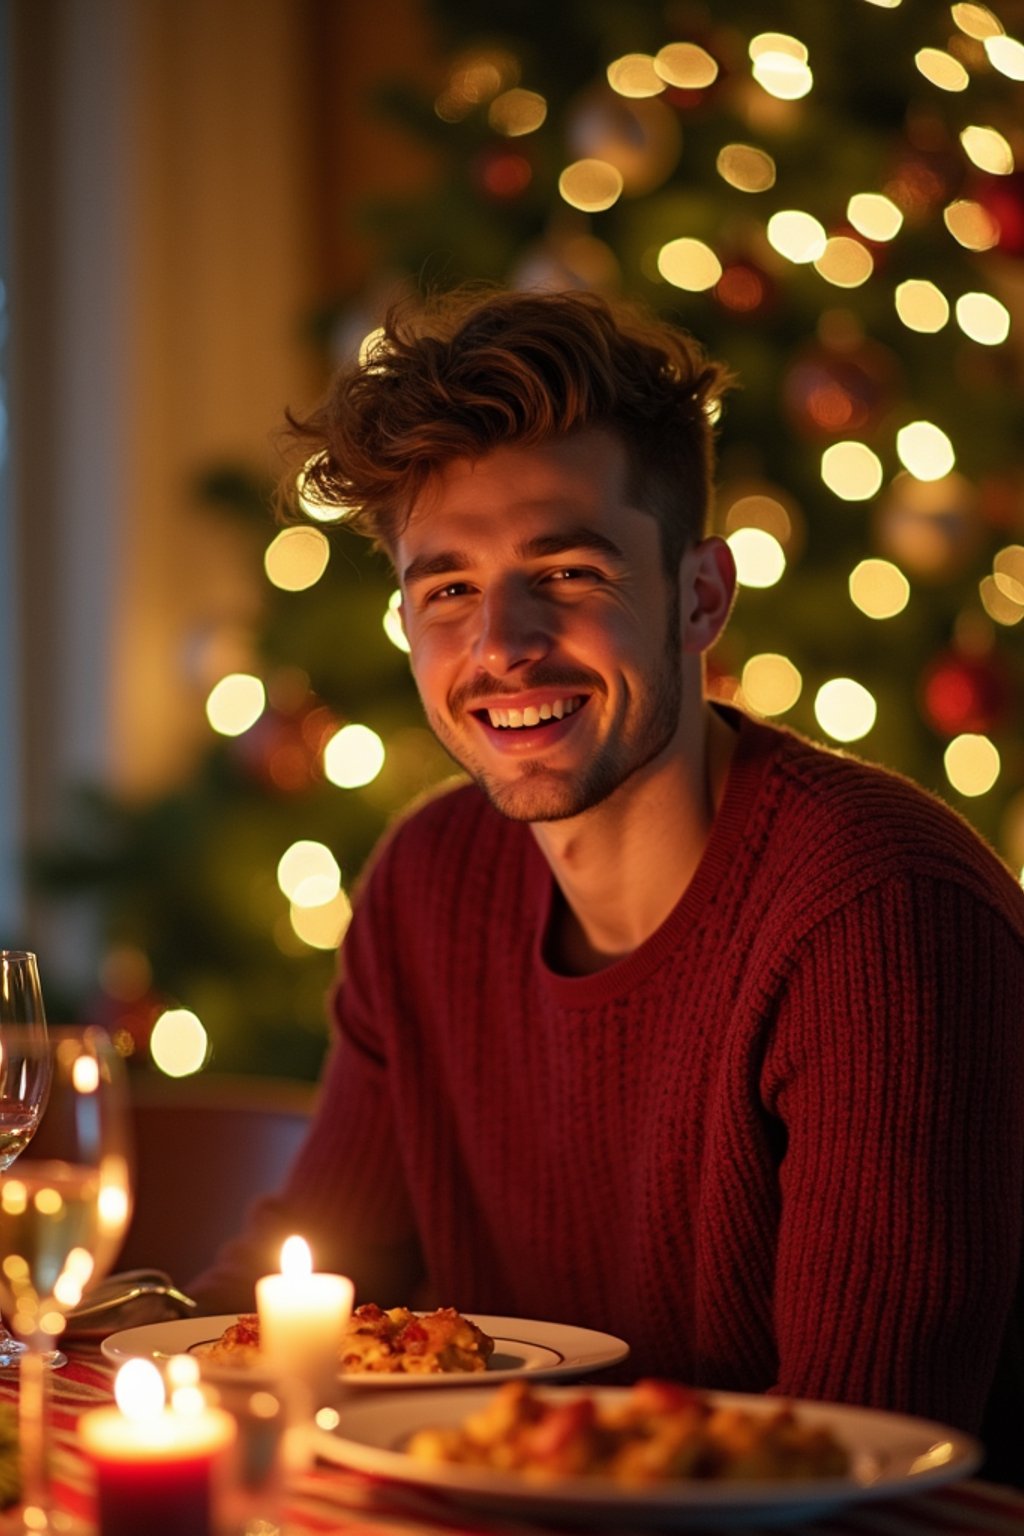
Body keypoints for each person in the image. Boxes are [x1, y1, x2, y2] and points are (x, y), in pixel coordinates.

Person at [191, 286, 1024, 1472]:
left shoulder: (878, 914)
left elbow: (861, 1461)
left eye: (568, 573)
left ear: (700, 597)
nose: (501, 646)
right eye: (448, 589)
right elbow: (310, 1290)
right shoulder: (425, 885)